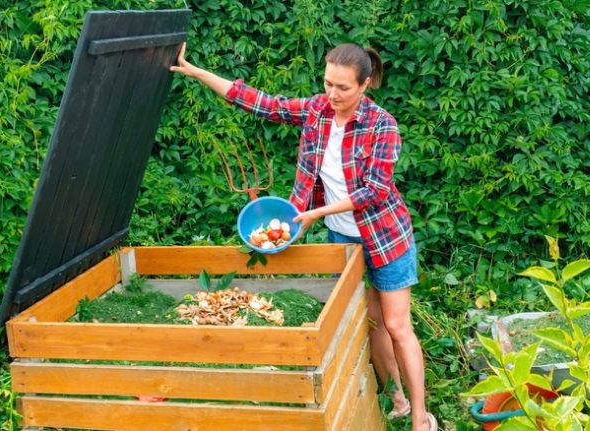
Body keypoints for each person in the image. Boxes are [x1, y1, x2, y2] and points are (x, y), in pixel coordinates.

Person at [171, 42, 436, 431]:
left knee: (397, 325)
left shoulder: (383, 125)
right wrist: (198, 73)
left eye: (343, 88)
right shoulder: (317, 111)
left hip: (384, 236)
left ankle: (420, 416)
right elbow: (260, 102)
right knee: (373, 322)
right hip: (342, 240)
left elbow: (375, 191)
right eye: (328, 83)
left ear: (365, 85)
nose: (333, 95)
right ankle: (395, 398)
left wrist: (313, 213)